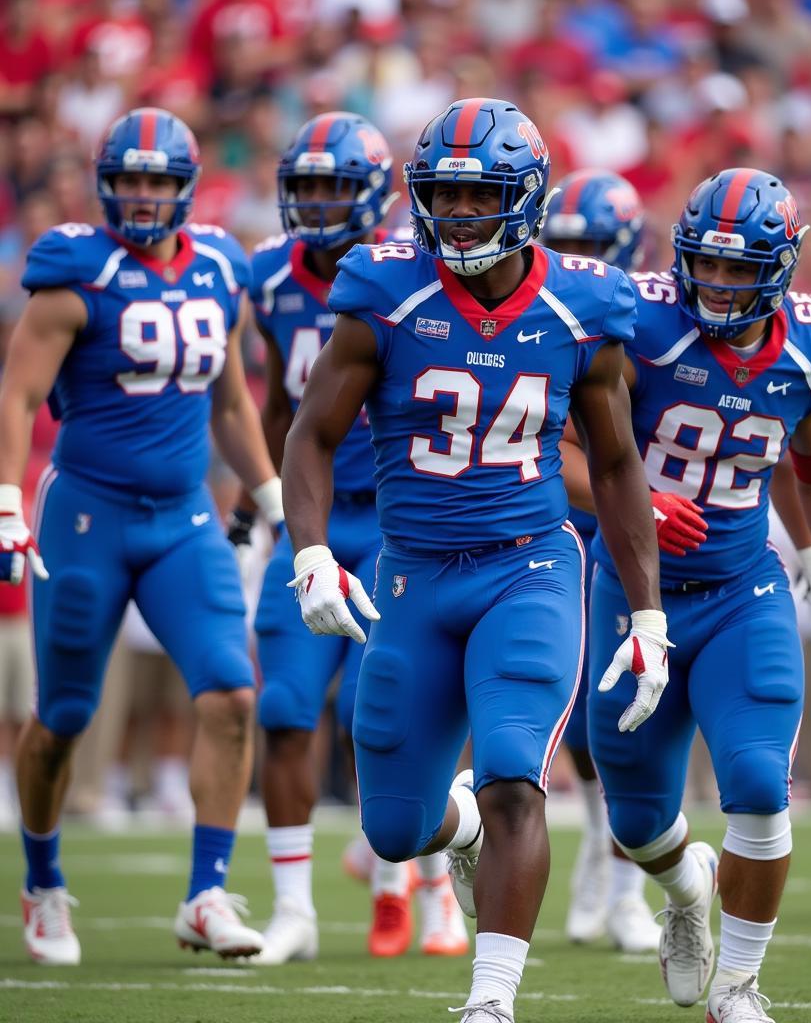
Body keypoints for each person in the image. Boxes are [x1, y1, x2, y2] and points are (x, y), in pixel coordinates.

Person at [281, 97, 671, 1023]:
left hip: (528, 566)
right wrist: (308, 553)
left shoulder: (583, 304)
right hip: (410, 573)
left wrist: (648, 612)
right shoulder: (383, 290)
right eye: (444, 193)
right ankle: (451, 831)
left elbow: (615, 464)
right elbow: (309, 436)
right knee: (394, 828)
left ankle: (490, 1003)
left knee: (511, 772)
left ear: (527, 197)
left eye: (478, 193)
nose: (457, 212)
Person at [565, 167, 811, 1022]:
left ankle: (739, 989)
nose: (719, 284)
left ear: (781, 268)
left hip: (744, 590)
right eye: (706, 264)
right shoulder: (640, 323)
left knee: (755, 780)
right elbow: (560, 448)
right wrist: (626, 497)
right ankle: (683, 891)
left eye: (741, 270)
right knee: (636, 819)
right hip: (633, 590)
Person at [0, 107, 284, 965]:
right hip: (86, 514)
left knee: (232, 694)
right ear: (106, 183)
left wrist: (271, 499)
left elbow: (231, 401)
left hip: (183, 516)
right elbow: (16, 395)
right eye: (130, 179)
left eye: (159, 180)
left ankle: (206, 894)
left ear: (187, 187)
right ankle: (44, 884)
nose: (144, 194)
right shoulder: (73, 270)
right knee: (63, 716)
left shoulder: (219, 271)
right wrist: (6, 498)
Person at [232, 111, 466, 963]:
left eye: (336, 186)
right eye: (308, 188)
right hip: (316, 517)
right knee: (289, 706)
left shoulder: (414, 270)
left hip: (404, 520)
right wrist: (260, 497)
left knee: (397, 712)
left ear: (373, 193)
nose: (321, 203)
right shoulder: (267, 276)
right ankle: (295, 907)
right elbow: (278, 408)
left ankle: (432, 882)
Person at [540, 168, 661, 952]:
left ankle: (622, 888)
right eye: (569, 242)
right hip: (570, 522)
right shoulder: (547, 308)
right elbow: (561, 442)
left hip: (652, 527)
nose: (578, 257)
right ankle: (595, 839)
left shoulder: (653, 317)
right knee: (583, 718)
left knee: (629, 707)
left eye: (592, 244)